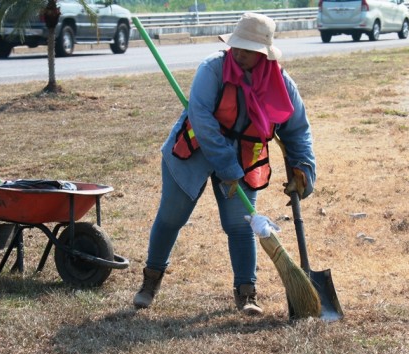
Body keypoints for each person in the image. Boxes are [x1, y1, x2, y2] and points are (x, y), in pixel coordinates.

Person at [133, 13, 316, 315]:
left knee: (239, 225)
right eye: (237, 46)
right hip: (194, 150)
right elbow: (202, 121)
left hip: (245, 157)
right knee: (171, 217)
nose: (240, 53)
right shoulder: (213, 69)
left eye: (248, 50)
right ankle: (150, 283)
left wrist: (303, 168)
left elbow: (297, 129)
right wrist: (227, 168)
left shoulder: (281, 83)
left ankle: (246, 293)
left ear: (264, 54)